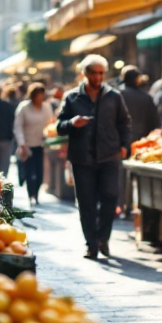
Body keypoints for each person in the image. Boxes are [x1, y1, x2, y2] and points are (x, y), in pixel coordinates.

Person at [57, 55, 131, 260]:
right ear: (85, 73)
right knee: (86, 203)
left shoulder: (114, 96)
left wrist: (125, 145)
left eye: (101, 73)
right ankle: (91, 244)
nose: (98, 77)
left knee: (110, 196)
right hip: (82, 159)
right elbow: (59, 126)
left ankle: (103, 238)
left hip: (109, 156)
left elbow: (125, 123)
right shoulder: (72, 97)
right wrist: (72, 122)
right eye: (93, 73)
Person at [118, 66, 158, 218]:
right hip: (141, 139)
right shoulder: (146, 98)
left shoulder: (117, 95)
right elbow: (154, 122)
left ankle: (122, 205)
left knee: (121, 173)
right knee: (139, 175)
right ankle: (139, 207)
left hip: (121, 139)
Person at [14, 84, 56, 205]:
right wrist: (22, 143)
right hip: (27, 144)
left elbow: (50, 123)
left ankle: (36, 194)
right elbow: (18, 126)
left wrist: (50, 135)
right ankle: (30, 193)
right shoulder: (24, 107)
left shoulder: (47, 107)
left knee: (39, 171)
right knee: (29, 170)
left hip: (41, 143)